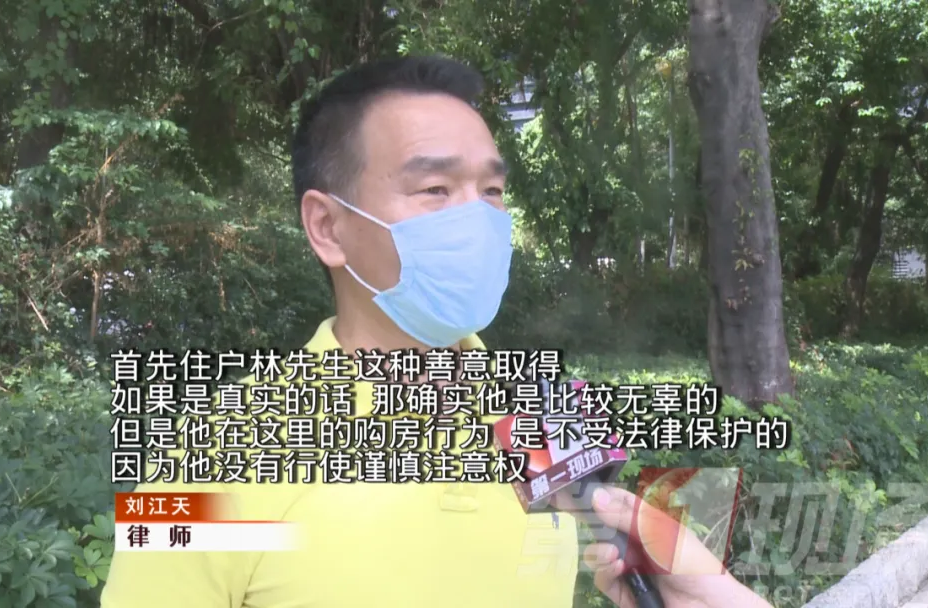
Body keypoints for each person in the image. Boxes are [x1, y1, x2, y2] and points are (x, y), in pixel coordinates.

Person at [101, 55, 772, 608]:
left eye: (492, 192)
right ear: (327, 227)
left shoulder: (541, 409)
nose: (477, 219)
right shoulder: (208, 454)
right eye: (435, 191)